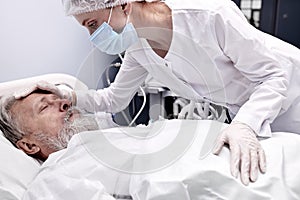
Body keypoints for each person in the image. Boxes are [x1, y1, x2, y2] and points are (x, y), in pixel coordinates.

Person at [60, 0, 300, 186]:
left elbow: (274, 75)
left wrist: (245, 124)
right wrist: (71, 97)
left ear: (123, 4)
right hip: (253, 114)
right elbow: (114, 99)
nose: (92, 38)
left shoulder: (208, 15)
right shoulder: (138, 47)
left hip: (291, 92)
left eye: (92, 24)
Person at [1, 87, 300, 200]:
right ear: (28, 146)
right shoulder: (55, 175)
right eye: (46, 107)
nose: (64, 104)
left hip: (268, 150)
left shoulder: (109, 137)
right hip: (248, 181)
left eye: (60, 99)